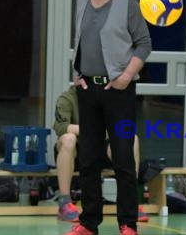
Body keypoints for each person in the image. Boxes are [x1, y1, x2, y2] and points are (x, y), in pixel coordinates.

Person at [60, 0, 151, 235]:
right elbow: (82, 41)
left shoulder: (127, 1)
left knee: (123, 158)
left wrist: (126, 77)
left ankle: (128, 226)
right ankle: (89, 223)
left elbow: (143, 44)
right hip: (88, 91)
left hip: (119, 92)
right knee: (87, 159)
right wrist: (77, 71)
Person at [53, 85, 148, 223]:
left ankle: (130, 203)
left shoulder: (109, 97)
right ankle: (65, 203)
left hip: (100, 148)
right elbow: (60, 127)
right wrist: (91, 129)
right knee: (68, 138)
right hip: (76, 151)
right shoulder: (67, 98)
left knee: (132, 139)